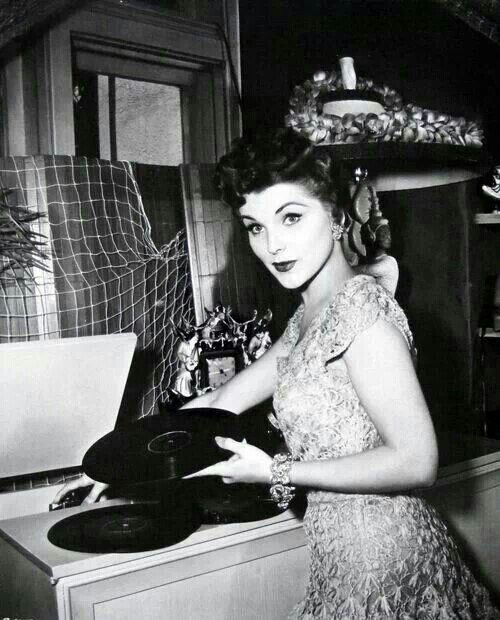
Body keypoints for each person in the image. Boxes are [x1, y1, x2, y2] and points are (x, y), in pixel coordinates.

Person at [54, 128, 499, 618]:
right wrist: (117, 464)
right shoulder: (308, 318)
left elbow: (417, 461)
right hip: (342, 560)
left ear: (337, 216)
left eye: (291, 217)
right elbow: (219, 402)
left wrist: (274, 471)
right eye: (254, 227)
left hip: (388, 562)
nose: (272, 246)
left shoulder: (363, 312)